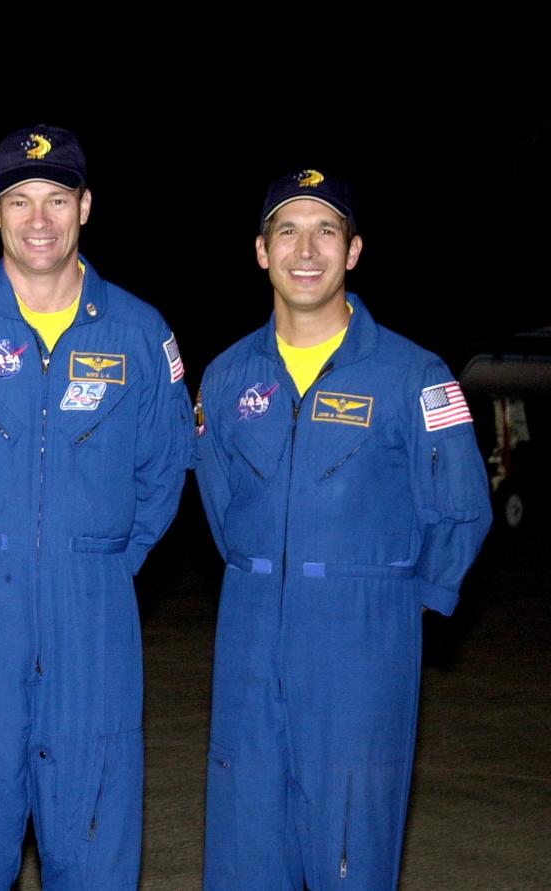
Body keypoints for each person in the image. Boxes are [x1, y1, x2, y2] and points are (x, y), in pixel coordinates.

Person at [0, 125, 193, 890]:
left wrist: (97, 561)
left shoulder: (139, 332)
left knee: (94, 849)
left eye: (58, 199)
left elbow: (165, 469)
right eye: (21, 200)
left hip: (92, 623)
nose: (40, 219)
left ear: (86, 206)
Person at [194, 169, 491, 889]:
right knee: (246, 844)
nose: (306, 248)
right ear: (260, 252)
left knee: (350, 848)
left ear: (353, 251)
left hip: (362, 641)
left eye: (325, 230)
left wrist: (398, 602)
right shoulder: (229, 376)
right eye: (286, 230)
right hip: (251, 633)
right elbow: (220, 498)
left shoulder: (413, 374)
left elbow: (461, 505)